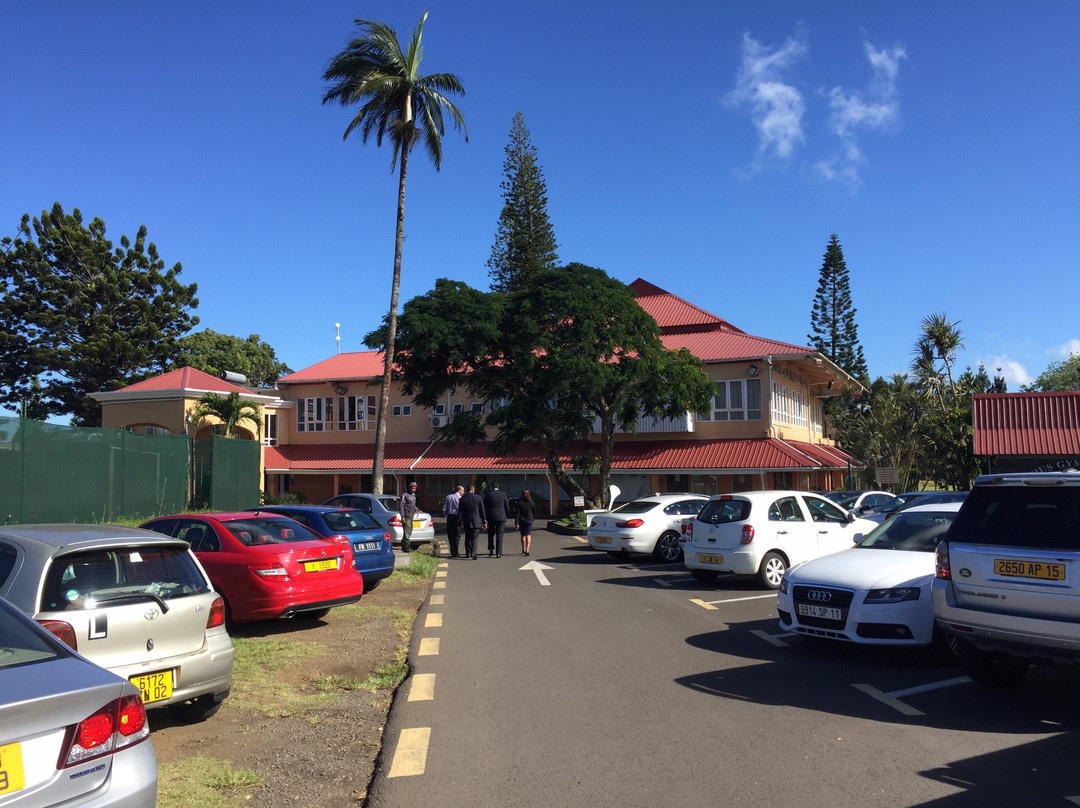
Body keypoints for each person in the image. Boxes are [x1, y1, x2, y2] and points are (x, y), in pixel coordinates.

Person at [458, 484, 486, 560]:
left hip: (466, 521)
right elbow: (482, 511)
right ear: (473, 490)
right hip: (476, 521)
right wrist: (484, 521)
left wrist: (459, 523)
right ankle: (474, 552)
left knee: (467, 537)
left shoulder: (462, 499)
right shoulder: (478, 498)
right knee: (475, 538)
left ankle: (468, 553)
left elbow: (460, 513)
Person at [484, 482, 510, 558]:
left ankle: (491, 549)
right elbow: (507, 506)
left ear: (492, 487)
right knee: (499, 535)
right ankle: (498, 552)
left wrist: (485, 517)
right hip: (501, 516)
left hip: (491, 516)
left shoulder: (489, 495)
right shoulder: (503, 494)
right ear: (498, 487)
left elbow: (485, 507)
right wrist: (505, 514)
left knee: (491, 534)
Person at [443, 484, 464, 558]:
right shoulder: (461, 498)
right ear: (459, 490)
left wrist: (445, 514)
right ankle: (456, 550)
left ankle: (452, 551)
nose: (463, 492)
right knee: (457, 534)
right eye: (462, 490)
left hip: (450, 517)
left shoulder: (448, 497)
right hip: (458, 517)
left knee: (450, 534)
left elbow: (445, 508)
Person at [399, 481, 418, 553]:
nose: (413, 489)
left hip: (411, 516)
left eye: (415, 488)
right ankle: (407, 547)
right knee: (407, 533)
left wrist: (416, 509)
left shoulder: (413, 495)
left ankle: (403, 546)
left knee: (409, 531)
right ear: (409, 488)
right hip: (406, 516)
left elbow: (412, 505)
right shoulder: (405, 495)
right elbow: (402, 505)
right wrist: (402, 516)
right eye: (412, 488)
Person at [516, 488, 536, 556]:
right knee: (528, 535)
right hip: (529, 520)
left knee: (523, 535)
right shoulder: (531, 502)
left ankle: (523, 549)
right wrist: (533, 518)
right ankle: (527, 550)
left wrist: (516, 523)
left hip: (522, 520)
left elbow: (518, 513)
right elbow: (534, 511)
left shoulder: (520, 502)